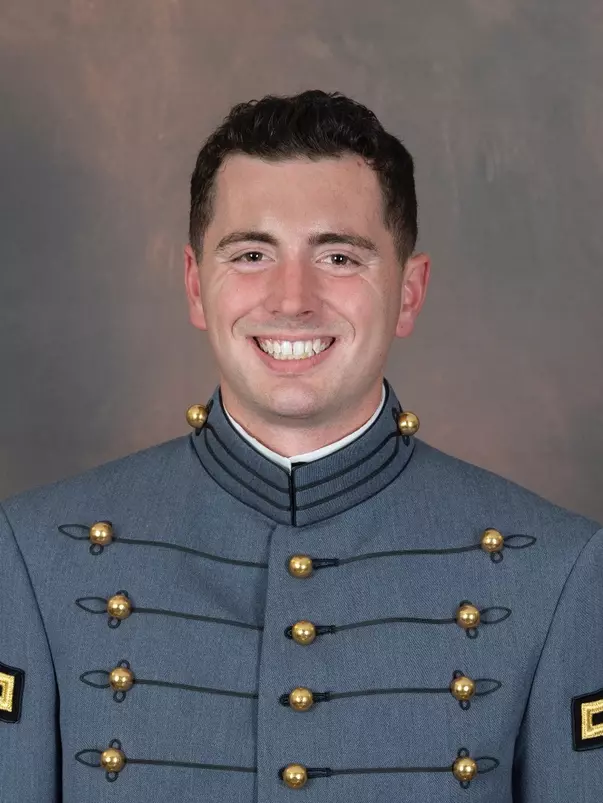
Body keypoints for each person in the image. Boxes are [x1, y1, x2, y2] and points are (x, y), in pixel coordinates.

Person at [0, 90, 601, 803]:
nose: (292, 299)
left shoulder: (559, 573)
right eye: (251, 253)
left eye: (339, 256)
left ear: (409, 292)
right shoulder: (35, 556)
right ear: (196, 287)